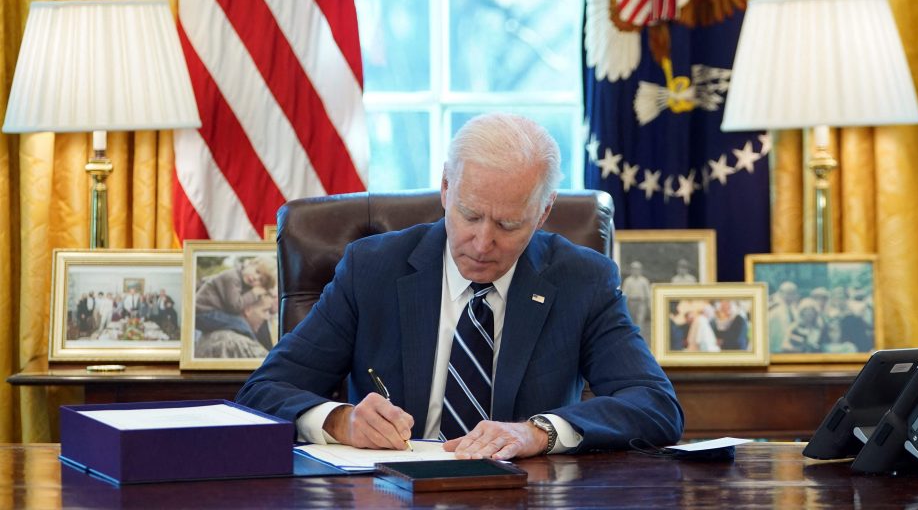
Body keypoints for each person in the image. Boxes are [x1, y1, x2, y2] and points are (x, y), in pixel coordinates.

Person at [236, 113, 683, 460]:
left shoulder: (582, 280)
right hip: (392, 494)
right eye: (470, 215)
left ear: (543, 212)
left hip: (523, 495)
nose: (482, 243)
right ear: (446, 189)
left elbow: (654, 404)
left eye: (508, 224)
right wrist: (340, 421)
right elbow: (263, 392)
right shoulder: (371, 269)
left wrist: (538, 432)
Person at [621, 260, 652, 342]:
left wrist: (649, 305)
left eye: (637, 269)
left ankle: (639, 339)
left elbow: (648, 294)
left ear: (640, 270)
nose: (636, 271)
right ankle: (632, 339)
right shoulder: (628, 280)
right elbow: (624, 293)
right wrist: (623, 305)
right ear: (631, 270)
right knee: (631, 321)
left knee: (640, 321)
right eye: (634, 269)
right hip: (631, 302)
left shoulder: (644, 281)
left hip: (641, 303)